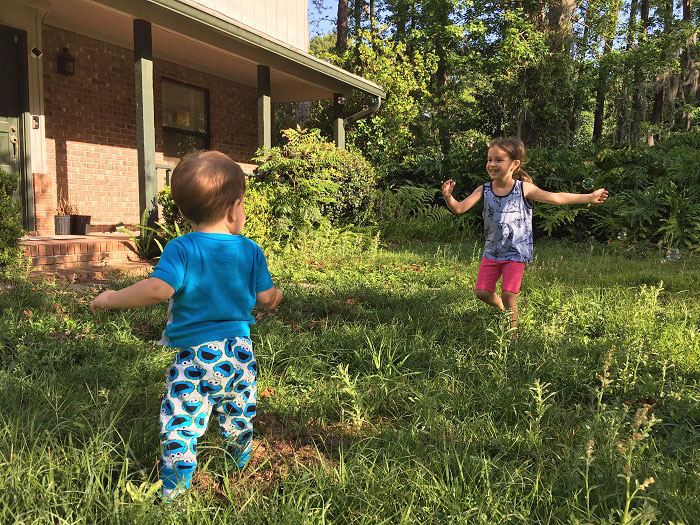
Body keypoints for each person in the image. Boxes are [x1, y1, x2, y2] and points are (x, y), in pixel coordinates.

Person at [90, 151, 282, 499]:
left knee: (181, 421)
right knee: (239, 411)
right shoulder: (250, 250)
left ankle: (175, 488)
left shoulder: (181, 248)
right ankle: (238, 460)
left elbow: (158, 289)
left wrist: (111, 298)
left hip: (194, 358)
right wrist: (275, 297)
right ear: (233, 208)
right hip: (240, 355)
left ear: (182, 213)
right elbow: (265, 297)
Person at [441, 137, 607, 332]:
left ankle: (511, 336)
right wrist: (448, 197)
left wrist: (589, 197)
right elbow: (460, 208)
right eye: (489, 159)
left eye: (498, 160)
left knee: (509, 294)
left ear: (515, 164)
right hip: (492, 252)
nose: (492, 164)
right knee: (482, 292)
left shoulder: (523, 189)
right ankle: (503, 308)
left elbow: (555, 198)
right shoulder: (484, 189)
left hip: (516, 253)